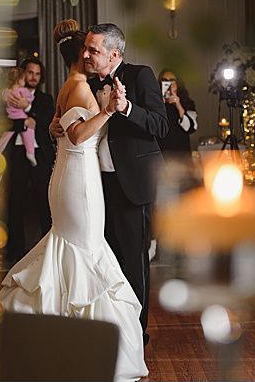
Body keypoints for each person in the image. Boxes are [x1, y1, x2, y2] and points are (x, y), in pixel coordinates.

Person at [0, 19, 148, 381]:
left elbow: (57, 126)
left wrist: (57, 126)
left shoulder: (69, 85)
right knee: (84, 248)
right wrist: (109, 110)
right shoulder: (80, 88)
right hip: (79, 179)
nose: (91, 57)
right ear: (81, 57)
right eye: (89, 51)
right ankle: (80, 342)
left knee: (70, 247)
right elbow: (79, 135)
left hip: (67, 176)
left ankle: (54, 329)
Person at [51, 22, 168, 346]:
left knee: (133, 261)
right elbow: (72, 120)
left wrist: (126, 108)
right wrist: (55, 125)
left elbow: (160, 125)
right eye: (85, 48)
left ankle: (135, 334)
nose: (85, 54)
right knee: (107, 260)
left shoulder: (140, 75)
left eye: (93, 50)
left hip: (133, 184)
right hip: (96, 184)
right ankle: (111, 327)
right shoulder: (85, 82)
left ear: (114, 54)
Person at [1, 58, 56, 266]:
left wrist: (29, 107)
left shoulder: (45, 99)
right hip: (15, 152)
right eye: (30, 72)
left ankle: (48, 249)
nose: (33, 77)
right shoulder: (9, 95)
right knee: (15, 201)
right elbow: (3, 119)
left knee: (45, 201)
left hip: (40, 155)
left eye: (37, 74)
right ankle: (15, 250)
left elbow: (48, 121)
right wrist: (24, 120)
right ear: (24, 73)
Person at [0, 67, 39, 167]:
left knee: (4, 137)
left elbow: (3, 98)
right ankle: (30, 152)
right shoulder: (23, 91)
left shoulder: (6, 91)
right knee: (29, 132)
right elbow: (31, 98)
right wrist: (26, 101)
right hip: (21, 116)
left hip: (11, 116)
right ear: (19, 80)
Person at [156, 68, 198, 159]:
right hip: (161, 153)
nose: (169, 84)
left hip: (181, 152)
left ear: (178, 83)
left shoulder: (187, 103)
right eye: (165, 81)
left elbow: (191, 128)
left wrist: (178, 105)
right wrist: (160, 103)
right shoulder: (155, 103)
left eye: (172, 80)